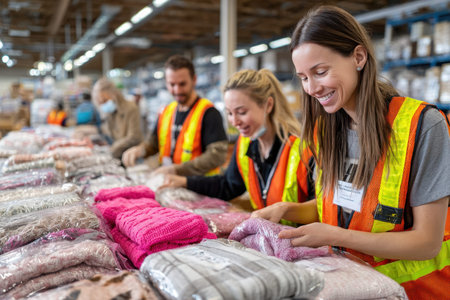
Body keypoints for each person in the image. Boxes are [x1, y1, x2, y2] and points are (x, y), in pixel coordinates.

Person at [251, 6, 450, 299]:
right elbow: (341, 209)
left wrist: (334, 236)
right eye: (304, 77)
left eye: (320, 72)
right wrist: (288, 209)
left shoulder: (423, 127)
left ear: (358, 57)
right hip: (351, 287)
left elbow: (427, 242)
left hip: (414, 292)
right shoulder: (325, 130)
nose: (312, 89)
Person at [160, 69, 313, 215]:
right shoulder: (245, 144)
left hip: (303, 240)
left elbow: (320, 209)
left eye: (241, 112)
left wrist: (285, 211)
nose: (235, 121)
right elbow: (228, 185)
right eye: (229, 113)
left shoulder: (302, 151)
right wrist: (185, 181)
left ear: (268, 105)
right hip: (269, 236)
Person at [122, 55, 228, 176]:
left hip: (200, 187)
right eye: (172, 84)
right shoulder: (167, 111)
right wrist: (140, 150)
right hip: (170, 182)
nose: (177, 90)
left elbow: (217, 156)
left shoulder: (209, 113)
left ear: (194, 80)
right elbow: (153, 143)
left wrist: (178, 169)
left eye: (182, 84)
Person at [92, 78, 143, 159]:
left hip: (131, 155)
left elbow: (134, 137)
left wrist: (113, 148)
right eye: (100, 102)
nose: (103, 105)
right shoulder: (109, 113)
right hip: (117, 154)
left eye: (105, 100)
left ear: (114, 95)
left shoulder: (131, 108)